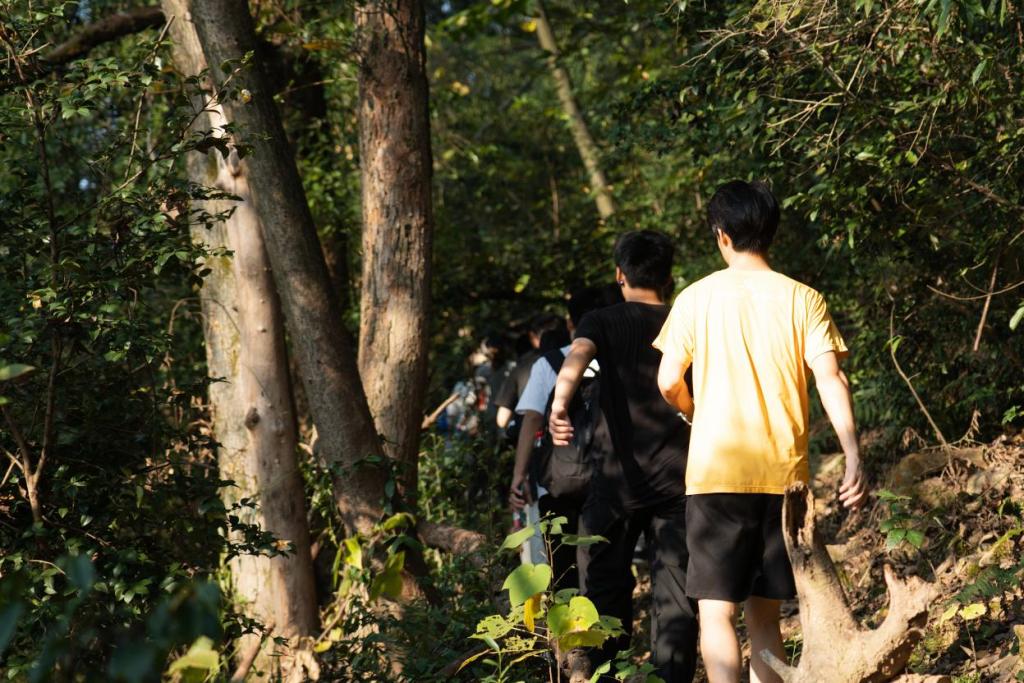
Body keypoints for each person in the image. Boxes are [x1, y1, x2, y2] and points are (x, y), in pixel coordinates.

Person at [653, 180, 868, 683]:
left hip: (715, 475)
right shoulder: (804, 298)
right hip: (783, 478)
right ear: (770, 232)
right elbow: (830, 378)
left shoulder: (695, 297)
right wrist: (853, 454)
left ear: (722, 235)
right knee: (766, 616)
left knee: (716, 614)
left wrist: (693, 410)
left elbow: (667, 381)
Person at [550, 231, 697, 683]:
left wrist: (559, 403)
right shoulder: (685, 318)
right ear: (668, 276)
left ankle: (605, 674)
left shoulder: (601, 320)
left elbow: (579, 353)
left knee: (604, 586)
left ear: (620, 274)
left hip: (615, 481)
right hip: (680, 477)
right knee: (676, 593)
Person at [507, 285, 621, 592]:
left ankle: (568, 619)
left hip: (558, 480)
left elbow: (531, 419)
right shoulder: (618, 357)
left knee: (562, 563)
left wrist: (519, 476)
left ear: (571, 323)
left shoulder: (549, 362)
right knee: (606, 562)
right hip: (612, 475)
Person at [494, 314, 565, 431]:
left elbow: (502, 419)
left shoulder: (524, 366)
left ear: (532, 336)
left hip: (540, 435)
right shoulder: (581, 354)